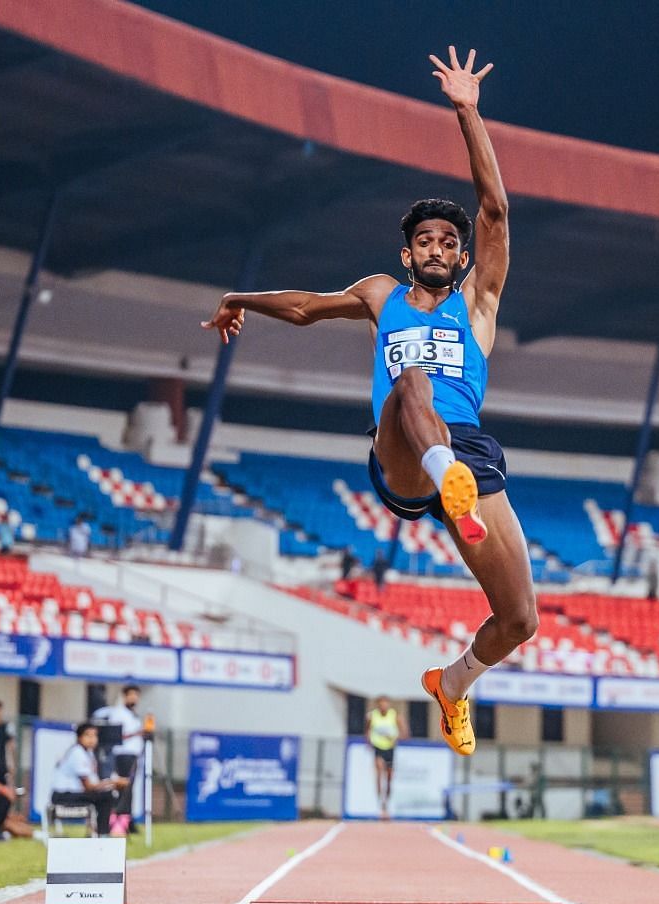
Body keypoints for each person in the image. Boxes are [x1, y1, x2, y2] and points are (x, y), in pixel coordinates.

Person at [202, 48, 532, 757]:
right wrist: (239, 297)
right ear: (408, 255)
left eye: (450, 240)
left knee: (520, 620)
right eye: (425, 240)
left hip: (470, 449)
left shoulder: (479, 304)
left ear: (464, 257)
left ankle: (451, 684)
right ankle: (449, 481)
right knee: (412, 377)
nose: (438, 247)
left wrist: (467, 111)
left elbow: (497, 211)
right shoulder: (382, 295)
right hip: (405, 453)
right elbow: (302, 308)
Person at [51, 724, 127, 836]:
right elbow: (89, 786)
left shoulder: (88, 753)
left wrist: (112, 783)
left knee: (107, 795)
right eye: (88, 735)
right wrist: (112, 783)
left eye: (94, 736)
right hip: (63, 795)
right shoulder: (77, 753)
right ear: (79, 737)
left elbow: (94, 782)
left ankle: (99, 831)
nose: (92, 739)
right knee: (106, 797)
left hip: (73, 794)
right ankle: (102, 834)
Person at [90, 684, 146, 835]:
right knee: (122, 788)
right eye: (131, 695)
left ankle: (126, 821)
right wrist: (139, 733)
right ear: (125, 696)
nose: (134, 698)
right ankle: (116, 822)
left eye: (136, 695)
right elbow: (117, 736)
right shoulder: (119, 714)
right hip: (123, 754)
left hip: (134, 754)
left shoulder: (134, 715)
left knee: (129, 790)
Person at [365, 696, 408, 819]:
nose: (383, 706)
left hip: (390, 748)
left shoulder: (394, 716)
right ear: (378, 705)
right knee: (379, 772)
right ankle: (380, 803)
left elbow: (404, 732)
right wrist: (368, 741)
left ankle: (386, 801)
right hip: (378, 747)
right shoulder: (372, 716)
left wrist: (395, 737)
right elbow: (367, 730)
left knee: (389, 777)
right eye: (381, 704)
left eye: (385, 704)